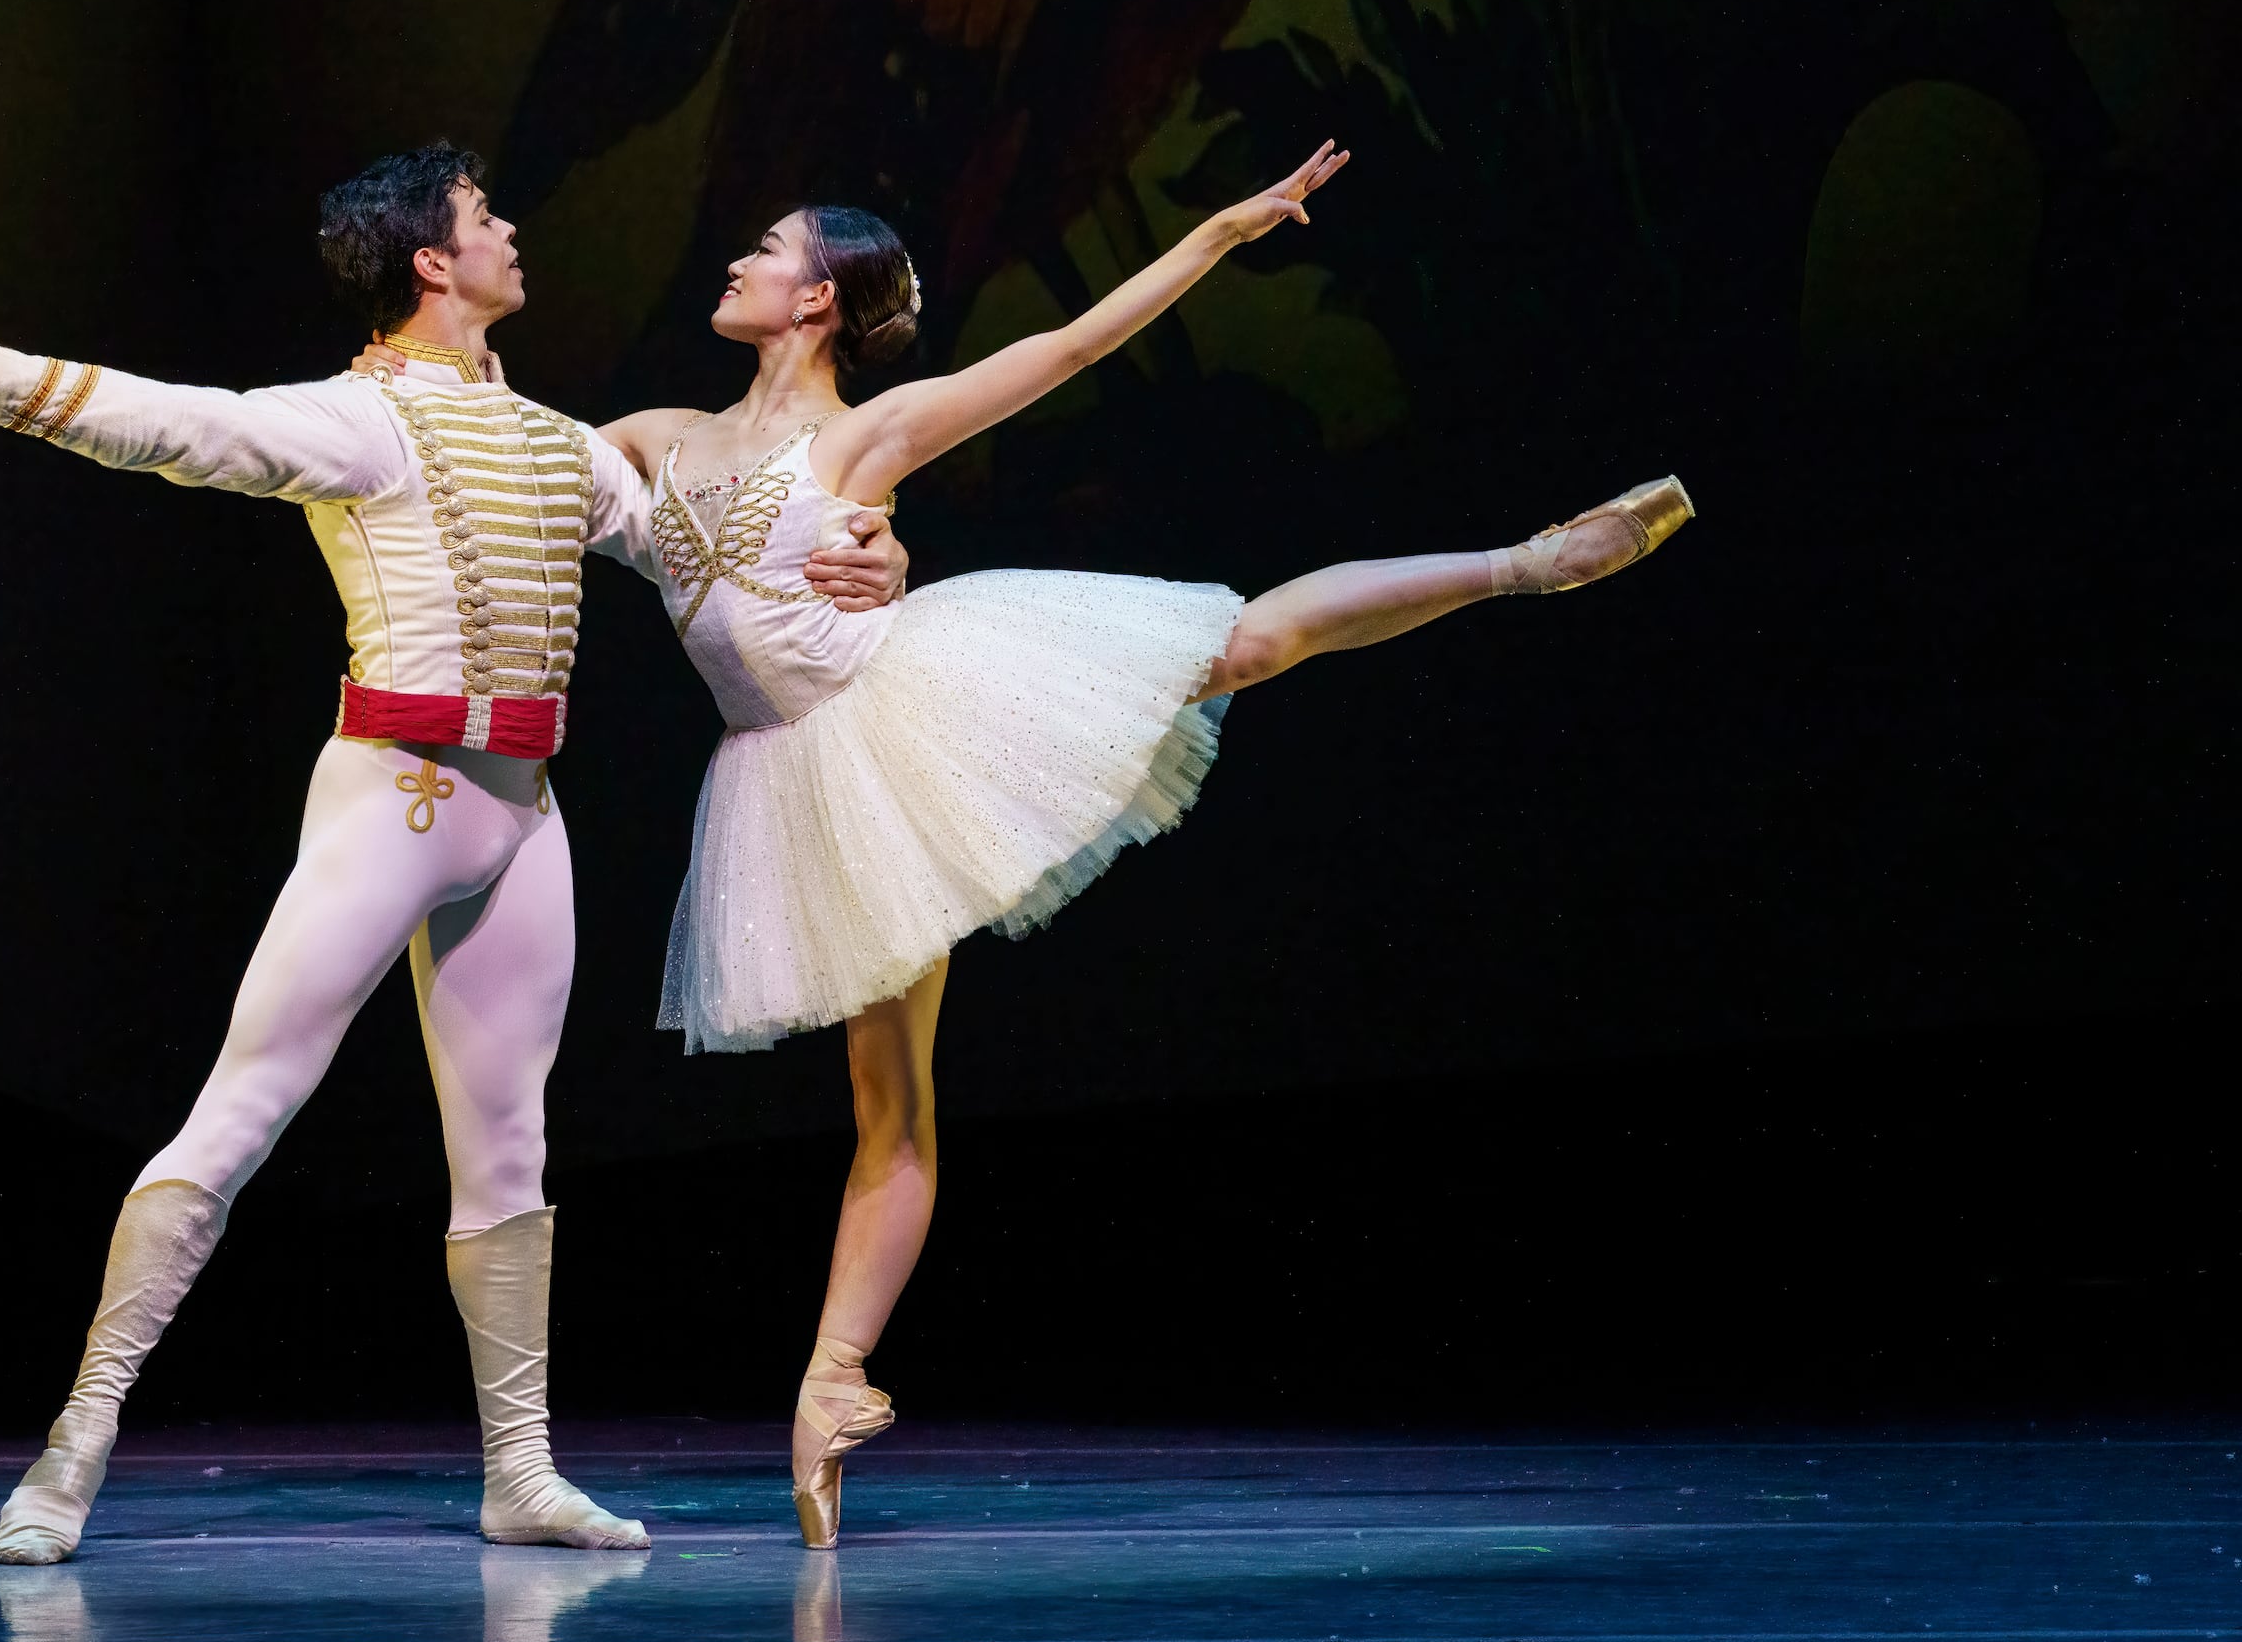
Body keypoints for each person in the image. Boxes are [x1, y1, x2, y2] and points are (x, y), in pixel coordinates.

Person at [0, 144, 906, 1563]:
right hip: (393, 797)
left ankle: (521, 1469)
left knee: (511, 1147)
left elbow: (711, 562)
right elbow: (180, 426)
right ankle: (73, 1447)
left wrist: (876, 565)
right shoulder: (360, 419)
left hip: (522, 817)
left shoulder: (568, 444)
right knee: (243, 1108)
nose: (513, 229)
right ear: (433, 263)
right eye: (485, 216)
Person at [593, 142, 1690, 1544]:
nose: (739, 260)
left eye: (768, 247)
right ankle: (832, 1384)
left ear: (816, 301)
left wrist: (1220, 236)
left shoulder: (862, 436)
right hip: (797, 782)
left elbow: (1061, 348)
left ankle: (1522, 562)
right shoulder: (649, 438)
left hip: (901, 715)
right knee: (890, 1105)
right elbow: (529, 474)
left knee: (1239, 644)